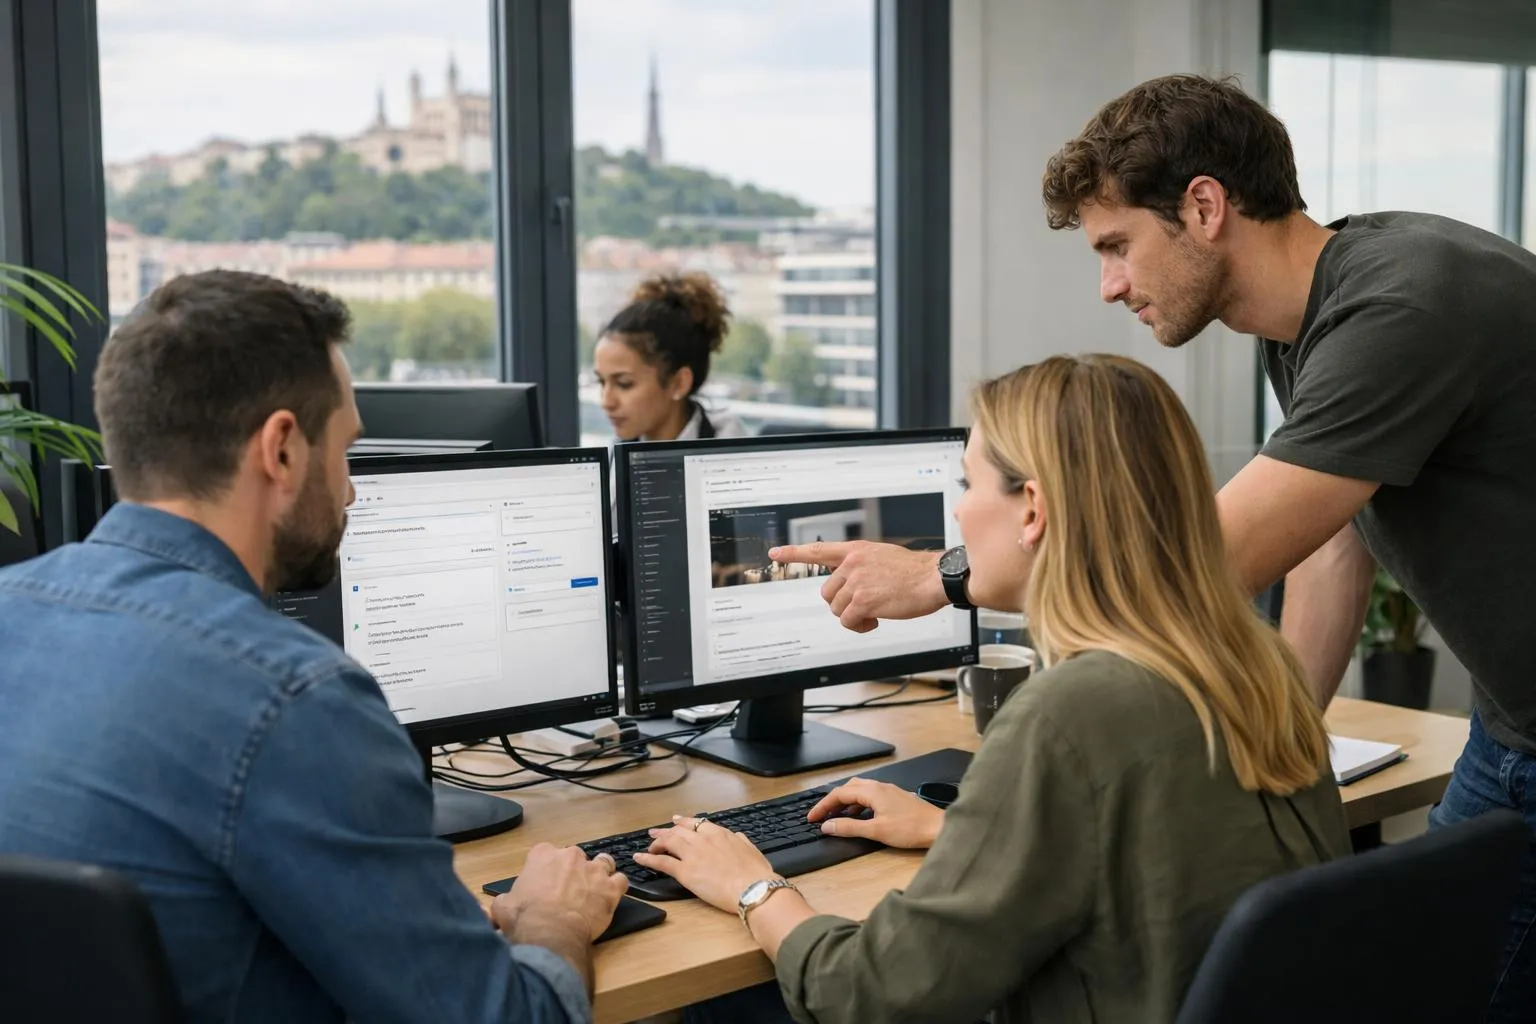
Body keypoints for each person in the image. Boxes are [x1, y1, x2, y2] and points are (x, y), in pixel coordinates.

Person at [770, 73, 1536, 1021]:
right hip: (1511, 727)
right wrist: (1270, 749)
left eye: (1117, 246)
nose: (1111, 285)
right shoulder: (1317, 319)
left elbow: (1181, 574)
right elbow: (1329, 544)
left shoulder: (1401, 309)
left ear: (1205, 206)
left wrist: (944, 575)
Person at [634, 355, 1350, 1024]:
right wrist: (965, 834)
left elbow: (870, 994)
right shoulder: (1256, 662)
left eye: (967, 485)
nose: (957, 513)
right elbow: (1160, 869)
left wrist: (752, 886)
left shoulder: (1073, 712)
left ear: (1032, 509)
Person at [0, 270, 626, 1024]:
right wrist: (552, 917)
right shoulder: (295, 698)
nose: (354, 490)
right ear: (283, 450)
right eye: (348, 451)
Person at [593, 271, 748, 442]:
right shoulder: (613, 455)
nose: (606, 402)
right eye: (601, 382)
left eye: (624, 384)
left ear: (679, 383)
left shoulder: (733, 452)